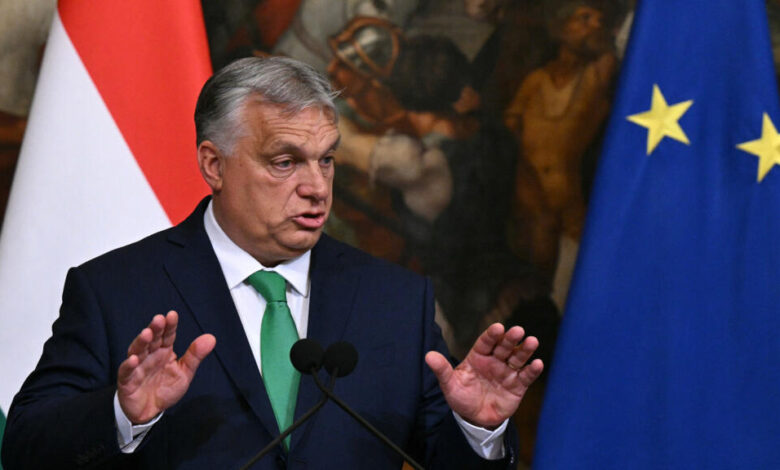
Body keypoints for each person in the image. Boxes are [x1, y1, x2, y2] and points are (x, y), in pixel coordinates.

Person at [1, 56, 543, 469]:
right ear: (214, 165)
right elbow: (25, 447)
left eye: (326, 160)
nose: (317, 188)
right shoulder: (115, 290)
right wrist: (123, 416)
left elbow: (444, 459)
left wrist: (477, 430)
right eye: (285, 162)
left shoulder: (394, 300)